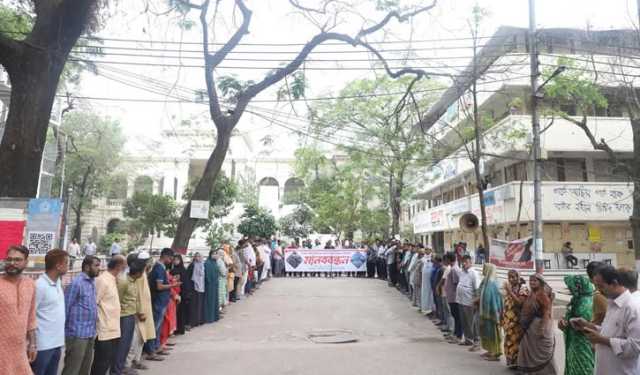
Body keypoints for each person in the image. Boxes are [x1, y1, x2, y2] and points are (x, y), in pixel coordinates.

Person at [575, 265, 640, 375]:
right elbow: (610, 332)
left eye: (601, 286)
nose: (599, 291)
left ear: (614, 283)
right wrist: (589, 326)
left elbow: (634, 347)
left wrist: (603, 340)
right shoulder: (612, 303)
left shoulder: (632, 307)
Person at [0, 245, 37, 374]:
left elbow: (31, 318)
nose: (12, 263)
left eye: (17, 260)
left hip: (19, 351)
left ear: (26, 262)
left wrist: (32, 344)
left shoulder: (30, 284)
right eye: (9, 259)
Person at [32, 249, 69, 375]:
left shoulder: (58, 282)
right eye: (66, 263)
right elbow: (30, 314)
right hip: (42, 345)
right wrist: (31, 343)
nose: (68, 267)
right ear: (58, 266)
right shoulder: (39, 286)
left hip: (56, 343)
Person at [62, 255, 100, 375]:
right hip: (76, 334)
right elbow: (66, 307)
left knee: (84, 369)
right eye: (96, 266)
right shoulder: (76, 283)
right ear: (87, 267)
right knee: (72, 369)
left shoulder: (92, 282)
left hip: (89, 333)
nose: (99, 268)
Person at [92, 255, 126, 375]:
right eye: (124, 266)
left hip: (113, 329)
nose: (125, 268)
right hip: (104, 330)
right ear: (118, 266)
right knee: (101, 364)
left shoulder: (113, 279)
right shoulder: (102, 280)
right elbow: (94, 304)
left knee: (107, 362)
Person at [517, 273, 556, 375]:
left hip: (538, 326)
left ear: (541, 282)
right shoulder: (532, 293)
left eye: (535, 281)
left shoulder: (541, 295)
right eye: (530, 281)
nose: (532, 282)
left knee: (538, 353)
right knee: (527, 349)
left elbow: (546, 312)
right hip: (530, 328)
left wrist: (542, 328)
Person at [112, 258, 146, 375]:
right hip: (124, 317)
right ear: (139, 272)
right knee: (122, 346)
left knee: (126, 345)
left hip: (131, 315)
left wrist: (138, 312)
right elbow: (118, 300)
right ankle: (116, 371)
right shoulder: (124, 282)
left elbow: (134, 300)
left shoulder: (134, 281)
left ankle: (120, 368)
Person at [144, 248, 179, 358]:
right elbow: (159, 286)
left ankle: (157, 346)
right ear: (165, 256)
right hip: (158, 301)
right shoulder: (158, 268)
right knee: (154, 326)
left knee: (158, 326)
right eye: (170, 258)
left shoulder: (161, 267)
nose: (171, 260)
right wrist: (172, 286)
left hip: (162, 301)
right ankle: (151, 350)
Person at [558, 275, 594, 375]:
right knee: (574, 365)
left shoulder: (586, 303)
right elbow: (569, 316)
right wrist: (563, 321)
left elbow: (584, 324)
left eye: (571, 286)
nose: (570, 289)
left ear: (578, 287)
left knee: (582, 366)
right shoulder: (577, 299)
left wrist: (568, 322)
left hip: (581, 342)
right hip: (574, 341)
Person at [126, 251, 157, 369]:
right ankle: (127, 364)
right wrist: (139, 311)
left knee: (141, 338)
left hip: (145, 310)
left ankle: (136, 360)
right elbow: (136, 295)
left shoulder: (143, 274)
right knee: (134, 339)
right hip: (139, 312)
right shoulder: (137, 275)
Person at [501, 269, 529, 369]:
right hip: (508, 321)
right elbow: (506, 304)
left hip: (517, 321)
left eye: (513, 277)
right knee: (509, 341)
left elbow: (520, 303)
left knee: (516, 342)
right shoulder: (512, 287)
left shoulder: (523, 288)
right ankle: (512, 362)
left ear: (518, 277)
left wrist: (509, 291)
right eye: (509, 277)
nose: (511, 279)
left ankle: (519, 363)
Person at [478, 263, 503, 362]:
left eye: (484, 269)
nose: (483, 271)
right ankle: (489, 350)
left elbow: (494, 300)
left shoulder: (493, 284)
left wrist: (494, 313)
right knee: (487, 333)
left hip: (492, 314)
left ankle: (495, 353)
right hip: (485, 313)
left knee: (493, 334)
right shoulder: (486, 281)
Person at [456, 255, 480, 348]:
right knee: (464, 321)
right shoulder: (462, 272)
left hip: (469, 302)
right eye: (463, 262)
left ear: (471, 262)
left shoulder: (474, 273)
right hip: (461, 300)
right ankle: (467, 339)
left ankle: (476, 341)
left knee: (472, 323)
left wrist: (475, 302)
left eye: (466, 262)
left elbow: (477, 289)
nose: (464, 264)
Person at [444, 252, 463, 344]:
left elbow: (457, 283)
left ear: (449, 259)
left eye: (446, 259)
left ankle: (458, 336)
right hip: (451, 297)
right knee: (455, 316)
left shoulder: (454, 270)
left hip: (455, 297)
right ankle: (455, 334)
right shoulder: (452, 269)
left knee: (458, 317)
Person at [170, 254, 188, 335]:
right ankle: (174, 329)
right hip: (173, 293)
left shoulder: (183, 270)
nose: (176, 261)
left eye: (177, 260)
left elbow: (185, 283)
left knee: (181, 312)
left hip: (181, 293)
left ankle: (181, 328)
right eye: (174, 260)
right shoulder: (172, 270)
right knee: (174, 312)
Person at [187, 252, 205, 327]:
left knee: (200, 304)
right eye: (196, 256)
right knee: (194, 305)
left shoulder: (202, 265)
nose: (198, 258)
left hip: (201, 287)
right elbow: (188, 276)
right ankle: (193, 322)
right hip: (193, 287)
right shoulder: (192, 265)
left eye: (199, 256)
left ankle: (199, 320)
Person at [203, 250, 220, 323]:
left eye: (216, 254)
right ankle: (209, 317)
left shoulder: (215, 262)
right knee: (209, 301)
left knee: (215, 300)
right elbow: (207, 275)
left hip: (215, 284)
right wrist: (209, 282)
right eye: (214, 254)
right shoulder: (207, 263)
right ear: (210, 254)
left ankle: (215, 316)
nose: (215, 255)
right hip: (209, 285)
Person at [420, 248, 435, 315]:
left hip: (430, 278)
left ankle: (431, 308)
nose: (426, 251)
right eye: (426, 249)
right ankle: (425, 308)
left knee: (430, 293)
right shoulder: (423, 258)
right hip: (424, 279)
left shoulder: (433, 257)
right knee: (425, 292)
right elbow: (423, 262)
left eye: (428, 249)